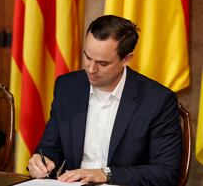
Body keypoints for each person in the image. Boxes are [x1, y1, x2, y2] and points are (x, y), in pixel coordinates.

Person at [27, 15, 182, 185]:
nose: (91, 69)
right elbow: (50, 146)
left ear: (127, 59)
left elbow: (166, 172)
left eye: (102, 63)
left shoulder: (158, 100)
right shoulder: (67, 87)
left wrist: (106, 174)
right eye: (87, 57)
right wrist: (41, 160)